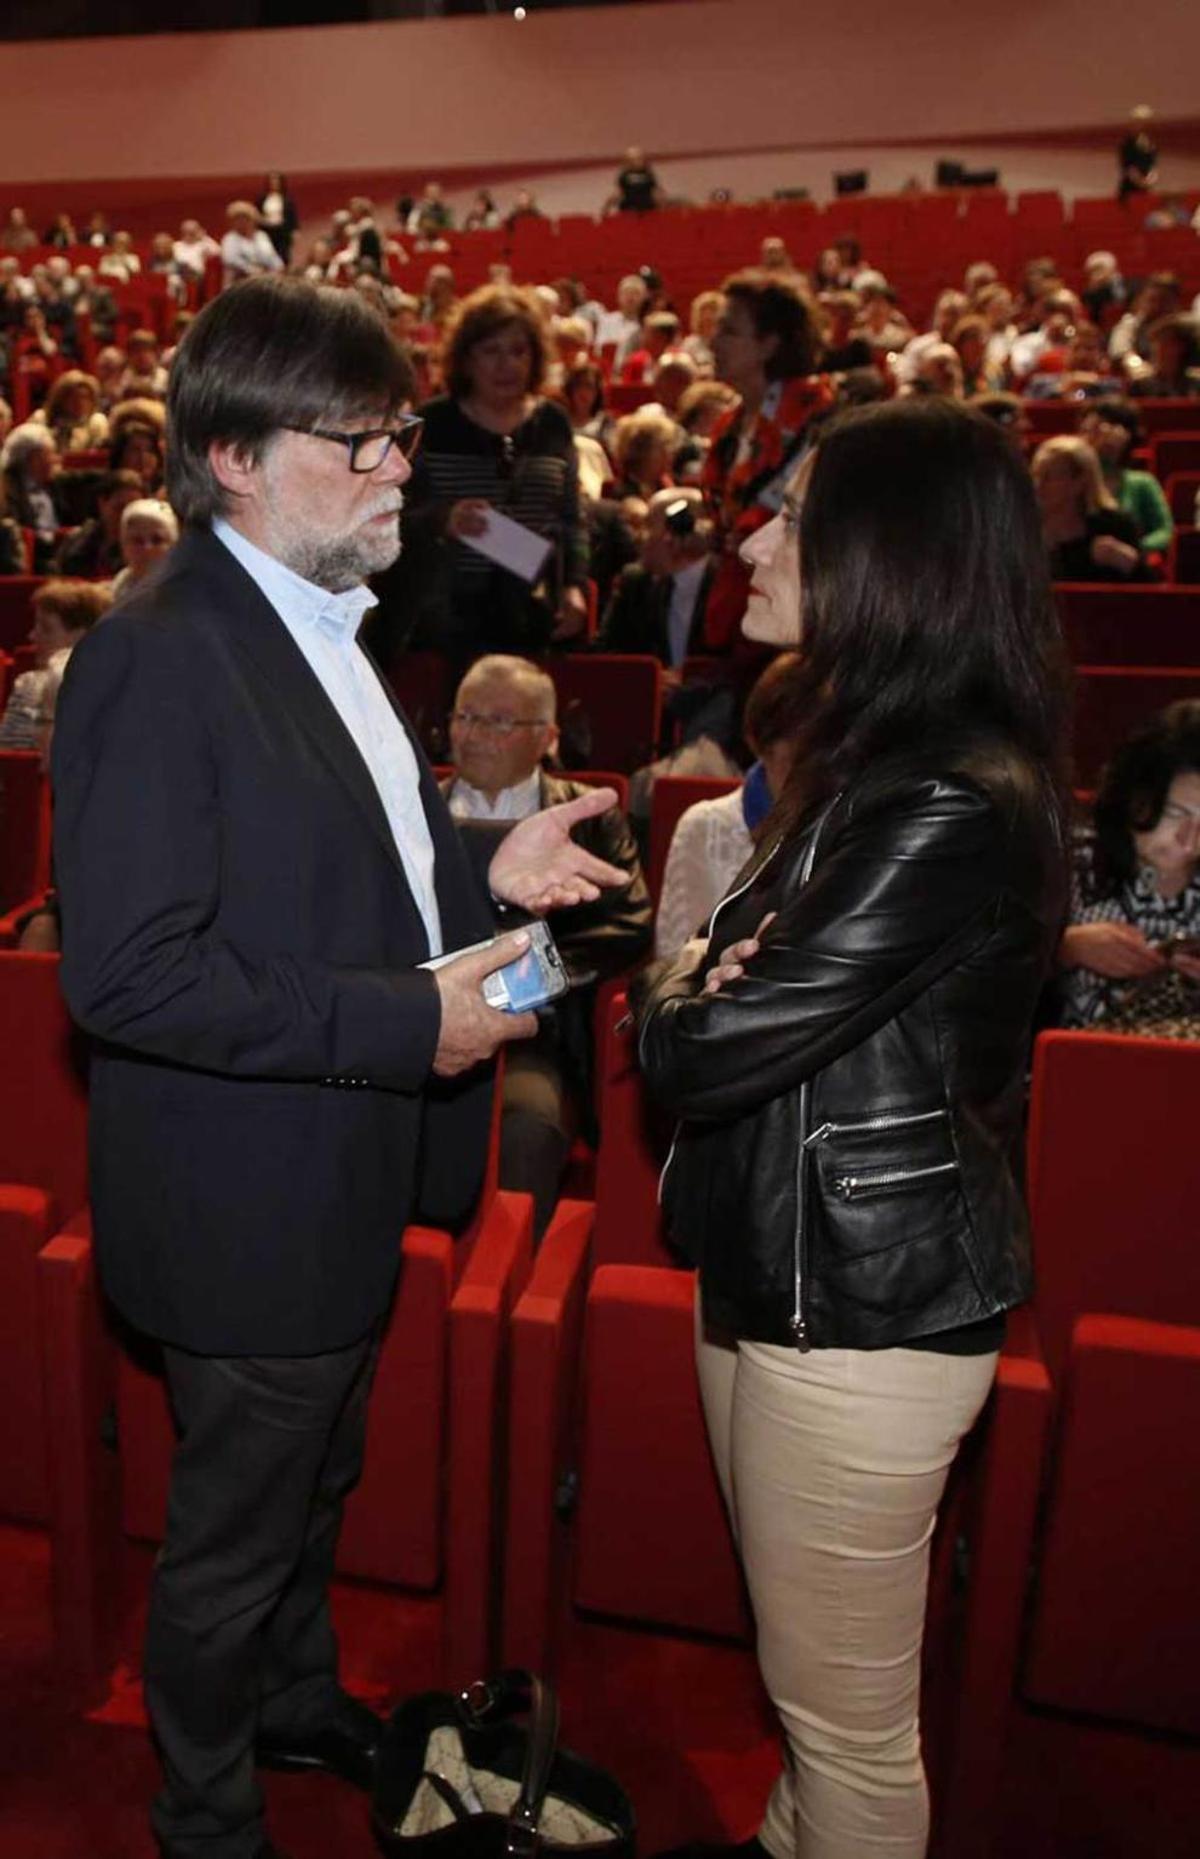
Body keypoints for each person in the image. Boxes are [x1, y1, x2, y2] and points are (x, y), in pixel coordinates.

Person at [50, 273, 627, 1859]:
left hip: (337, 1170)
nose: (400, 468)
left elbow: (358, 853)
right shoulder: (160, 655)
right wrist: (407, 1021)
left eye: (400, 437)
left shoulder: (320, 622)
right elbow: (127, 971)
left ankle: (295, 1698)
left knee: (314, 1484)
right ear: (233, 454)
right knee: (232, 1538)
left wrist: (483, 870)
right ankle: (204, 1811)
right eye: (362, 440)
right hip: (249, 1199)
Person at [636, 397, 1069, 1859]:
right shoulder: (869, 754)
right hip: (778, 1260)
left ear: (889, 556)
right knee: (802, 1679)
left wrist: (685, 987)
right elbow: (726, 996)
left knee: (850, 1725)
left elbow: (700, 1043)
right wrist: (707, 981)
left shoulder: (946, 794)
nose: (753, 536)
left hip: (866, 1304)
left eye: (793, 517)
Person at [443, 655, 651, 1236]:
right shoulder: (416, 809)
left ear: (548, 738)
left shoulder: (587, 817)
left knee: (527, 1128)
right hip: (422, 1024)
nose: (476, 734)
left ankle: (503, 1288)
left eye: (500, 722)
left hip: (536, 1038)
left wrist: (522, 970)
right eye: (466, 716)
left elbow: (628, 924)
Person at [397, 283, 589, 662]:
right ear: (466, 359)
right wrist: (444, 520)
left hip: (531, 617)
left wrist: (573, 586)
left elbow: (570, 519)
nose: (508, 365)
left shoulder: (552, 422)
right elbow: (395, 515)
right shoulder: (432, 424)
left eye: (519, 352)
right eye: (492, 352)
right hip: (444, 622)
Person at [703, 269, 834, 652]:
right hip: (733, 616)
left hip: (790, 622)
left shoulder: (815, 422)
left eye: (728, 331)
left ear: (768, 345)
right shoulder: (729, 427)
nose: (713, 341)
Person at [1058, 701, 1200, 1031]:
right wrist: (1068, 946)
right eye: (1175, 814)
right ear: (1136, 798)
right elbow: (988, 962)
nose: (1189, 840)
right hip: (1084, 1060)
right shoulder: (1072, 862)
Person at [654, 652, 799, 960]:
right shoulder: (706, 826)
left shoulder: (858, 825)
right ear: (761, 742)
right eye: (799, 747)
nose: (817, 764)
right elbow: (674, 962)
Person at [599, 486, 714, 674]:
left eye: (648, 526)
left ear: (676, 535)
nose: (638, 536)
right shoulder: (634, 584)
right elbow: (607, 654)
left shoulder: (724, 586)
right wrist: (651, 679)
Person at [0, 577, 111, 751]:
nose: (32, 636)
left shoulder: (115, 692)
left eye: (46, 629)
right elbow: (9, 761)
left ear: (82, 637)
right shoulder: (27, 684)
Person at [1031, 434, 1146, 582]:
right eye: (1035, 475)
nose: (1037, 485)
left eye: (1048, 477)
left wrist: (1129, 562)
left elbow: (1151, 595)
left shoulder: (1116, 527)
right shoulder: (1024, 527)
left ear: (1079, 483)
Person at [1077, 398, 1174, 565]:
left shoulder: (1142, 483)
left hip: (1130, 565)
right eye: (1095, 430)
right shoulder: (1072, 481)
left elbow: (1164, 531)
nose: (1106, 438)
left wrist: (1132, 549)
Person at [53, 467, 141, 577]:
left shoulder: (144, 547)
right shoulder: (78, 541)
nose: (125, 515)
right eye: (119, 507)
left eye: (133, 508)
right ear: (102, 504)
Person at [0, 421, 60, 569]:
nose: (54, 461)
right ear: (28, 459)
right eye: (47, 455)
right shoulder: (9, 490)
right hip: (32, 558)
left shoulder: (57, 485)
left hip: (58, 554)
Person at [109, 496, 180, 600]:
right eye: (137, 540)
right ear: (124, 546)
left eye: (157, 540)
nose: (147, 548)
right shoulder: (116, 590)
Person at [31, 368, 109, 450]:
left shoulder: (96, 422)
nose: (79, 403)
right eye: (73, 397)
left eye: (85, 397)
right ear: (60, 398)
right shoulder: (42, 418)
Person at [221, 200, 284, 285]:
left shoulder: (261, 236)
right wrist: (253, 270)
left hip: (266, 279)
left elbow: (272, 256)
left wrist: (278, 267)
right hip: (240, 283)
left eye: (245, 218)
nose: (241, 222)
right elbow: (231, 260)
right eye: (237, 219)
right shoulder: (230, 238)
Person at [258, 171, 299, 265]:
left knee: (283, 255)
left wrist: (295, 231)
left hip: (282, 232)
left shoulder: (287, 200)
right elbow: (257, 214)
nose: (274, 183)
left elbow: (292, 216)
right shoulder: (262, 199)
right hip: (266, 230)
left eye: (276, 180)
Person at [1118, 104, 1158, 201]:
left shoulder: (1151, 143)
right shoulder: (1127, 144)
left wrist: (1151, 179)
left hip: (1146, 189)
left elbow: (1153, 165)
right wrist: (1141, 182)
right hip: (1129, 191)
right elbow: (1128, 167)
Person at [607, 146, 661, 215]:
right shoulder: (625, 175)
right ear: (627, 161)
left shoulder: (648, 174)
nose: (637, 161)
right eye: (633, 159)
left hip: (648, 210)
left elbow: (656, 191)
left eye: (639, 158)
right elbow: (618, 192)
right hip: (629, 210)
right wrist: (608, 206)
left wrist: (660, 205)